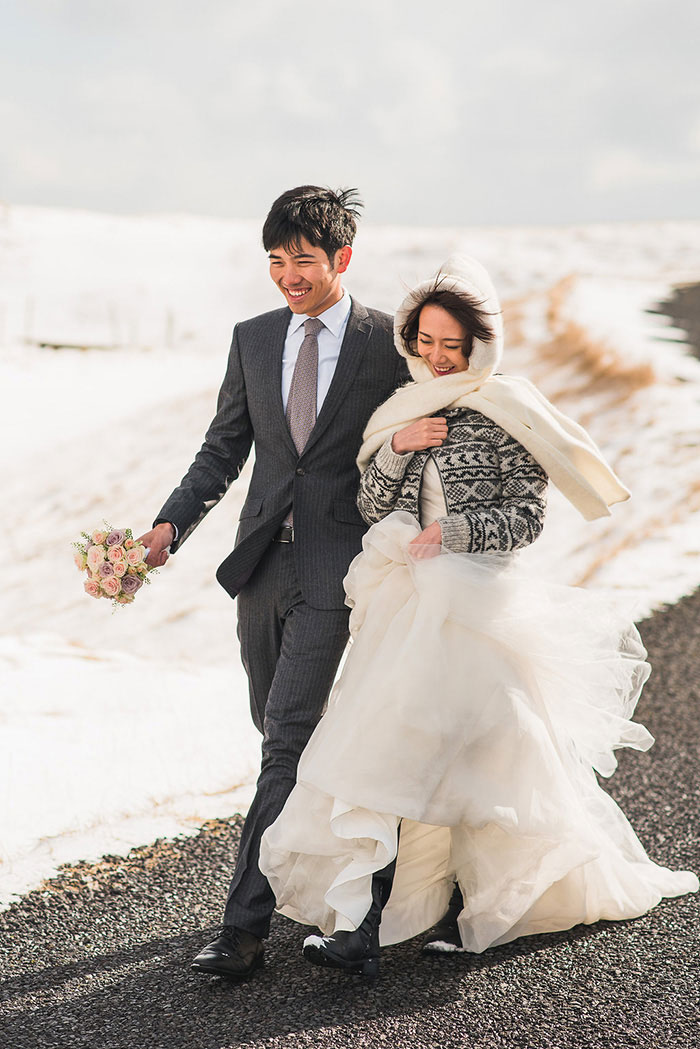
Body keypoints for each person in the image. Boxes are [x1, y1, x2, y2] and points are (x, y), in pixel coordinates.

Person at [259, 254, 699, 982]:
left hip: (480, 606)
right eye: (424, 340)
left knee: (477, 758)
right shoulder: (399, 409)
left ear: (479, 344)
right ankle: (364, 925)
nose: (434, 356)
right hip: (404, 602)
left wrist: (455, 535)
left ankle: (476, 909)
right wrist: (399, 449)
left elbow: (527, 517)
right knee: (383, 745)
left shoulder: (508, 410)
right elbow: (372, 507)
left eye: (450, 344)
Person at [138, 185, 409, 981]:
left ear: (342, 259)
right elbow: (224, 448)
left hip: (337, 567)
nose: (289, 275)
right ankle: (353, 885)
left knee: (286, 738)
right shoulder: (253, 339)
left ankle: (243, 927)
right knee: (278, 729)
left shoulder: (384, 340)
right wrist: (168, 526)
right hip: (260, 567)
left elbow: (425, 427)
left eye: (304, 260)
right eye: (276, 260)